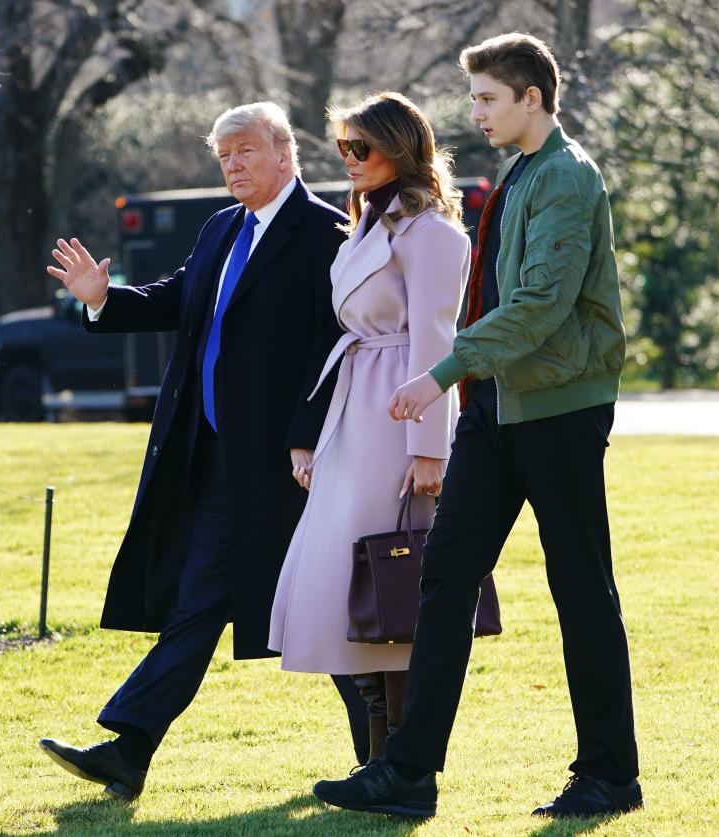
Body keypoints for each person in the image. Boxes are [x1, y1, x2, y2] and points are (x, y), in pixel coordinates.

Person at [312, 33, 642, 820]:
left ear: (533, 98)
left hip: (558, 411)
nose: (476, 112)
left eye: (489, 98)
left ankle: (609, 775)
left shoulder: (566, 177)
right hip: (497, 409)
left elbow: (538, 307)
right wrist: (468, 383)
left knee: (582, 591)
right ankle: (409, 772)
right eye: (474, 99)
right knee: (443, 576)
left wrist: (439, 373)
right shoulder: (523, 173)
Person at [38, 101, 369, 800]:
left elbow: (332, 344)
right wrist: (104, 298)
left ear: (285, 153)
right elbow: (178, 298)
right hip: (219, 462)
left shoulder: (327, 233)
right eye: (223, 158)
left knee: (324, 607)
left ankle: (388, 757)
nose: (233, 166)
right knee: (197, 602)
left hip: (293, 466)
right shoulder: (222, 227)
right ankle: (129, 750)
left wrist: (304, 436)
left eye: (245, 151)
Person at [267, 92, 470, 762]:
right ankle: (378, 757)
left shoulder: (432, 232)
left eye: (362, 147)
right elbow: (345, 330)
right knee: (343, 584)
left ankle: (399, 762)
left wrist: (430, 452)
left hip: (399, 416)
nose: (349, 160)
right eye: (343, 148)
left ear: (400, 148)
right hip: (356, 410)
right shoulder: (366, 226)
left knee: (392, 583)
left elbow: (438, 343)